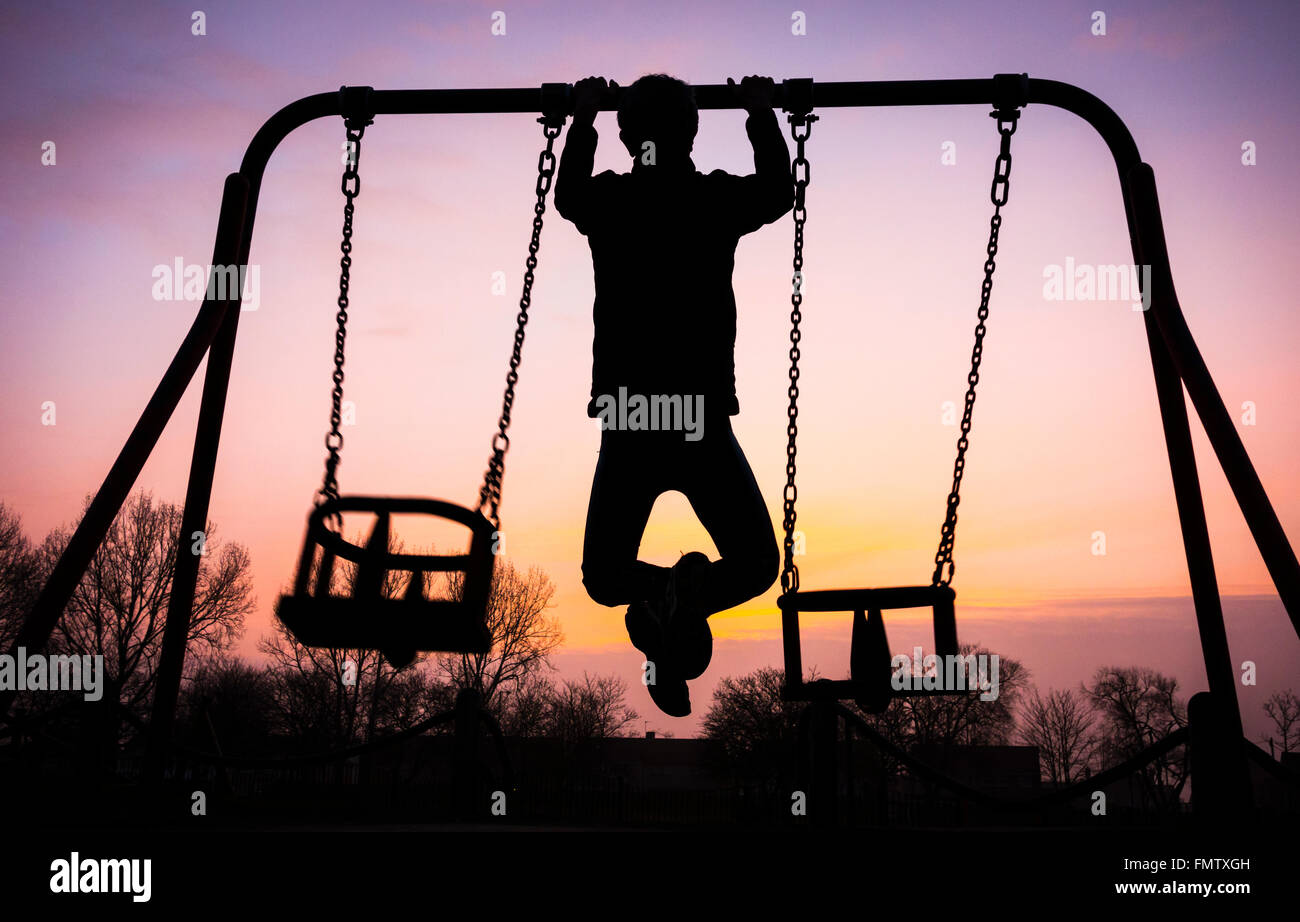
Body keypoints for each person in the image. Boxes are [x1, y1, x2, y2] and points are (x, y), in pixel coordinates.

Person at [555, 73, 792, 716]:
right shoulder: (711, 200)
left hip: (631, 415)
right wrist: (759, 112)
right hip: (697, 416)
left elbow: (569, 193)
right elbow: (777, 190)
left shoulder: (610, 202)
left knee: (605, 578)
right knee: (755, 565)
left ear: (629, 135)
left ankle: (671, 602)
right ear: (692, 131)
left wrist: (583, 118)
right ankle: (682, 598)